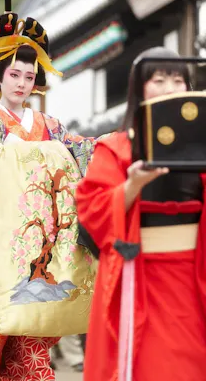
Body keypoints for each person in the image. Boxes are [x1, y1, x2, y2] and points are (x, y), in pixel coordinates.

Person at [0, 13, 97, 381]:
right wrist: (44, 152)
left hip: (47, 232)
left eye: (29, 77)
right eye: (15, 74)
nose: (21, 83)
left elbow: (77, 153)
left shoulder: (50, 125)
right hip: (4, 231)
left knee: (40, 321)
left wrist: (112, 144)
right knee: (14, 331)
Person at [75, 47, 206, 381]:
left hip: (195, 278)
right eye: (158, 79)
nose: (169, 88)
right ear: (139, 89)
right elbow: (91, 212)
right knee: (147, 366)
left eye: (178, 79)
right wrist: (131, 186)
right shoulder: (116, 147)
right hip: (139, 276)